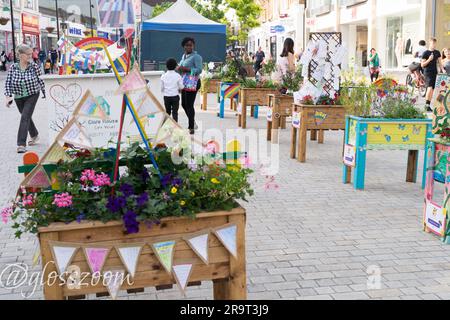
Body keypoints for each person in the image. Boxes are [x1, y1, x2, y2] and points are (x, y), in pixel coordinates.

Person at [4, 44, 46, 153]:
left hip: (32, 94)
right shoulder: (13, 67)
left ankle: (21, 144)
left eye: (31, 54)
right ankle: (35, 135)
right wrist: (8, 96)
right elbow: (8, 82)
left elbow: (40, 79)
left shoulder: (34, 66)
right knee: (26, 117)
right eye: (28, 54)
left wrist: (45, 92)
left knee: (24, 117)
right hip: (18, 96)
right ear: (21, 55)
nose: (30, 56)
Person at [177, 37, 203, 135]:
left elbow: (199, 70)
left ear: (193, 46)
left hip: (193, 83)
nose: (189, 47)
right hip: (184, 82)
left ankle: (191, 127)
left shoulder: (197, 57)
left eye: (191, 45)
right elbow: (181, 66)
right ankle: (193, 122)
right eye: (187, 45)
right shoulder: (184, 56)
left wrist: (187, 69)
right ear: (184, 46)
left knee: (189, 105)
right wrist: (178, 67)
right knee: (184, 104)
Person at [422, 38, 443, 111]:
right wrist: (429, 60)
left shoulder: (437, 52)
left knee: (432, 89)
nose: (433, 45)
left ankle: (428, 105)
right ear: (429, 43)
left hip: (435, 72)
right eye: (432, 43)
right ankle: (426, 105)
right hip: (428, 72)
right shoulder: (425, 53)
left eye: (435, 43)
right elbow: (422, 65)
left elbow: (440, 63)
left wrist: (443, 70)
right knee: (430, 88)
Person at [161, 58, 184, 122]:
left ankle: (164, 126)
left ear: (166, 66)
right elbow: (181, 87)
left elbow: (161, 88)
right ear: (175, 66)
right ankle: (175, 127)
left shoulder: (163, 76)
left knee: (167, 112)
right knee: (175, 113)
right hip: (175, 97)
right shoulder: (178, 76)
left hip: (166, 97)